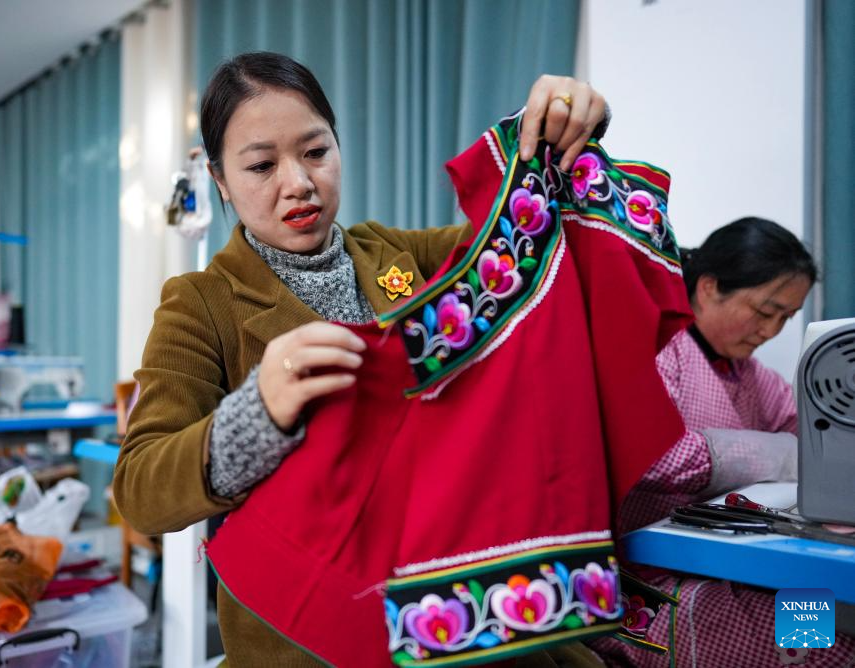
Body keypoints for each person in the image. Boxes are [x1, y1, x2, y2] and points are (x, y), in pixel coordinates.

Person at [114, 51, 611, 666]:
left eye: (315, 152)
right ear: (220, 180)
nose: (298, 183)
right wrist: (258, 413)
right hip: (312, 636)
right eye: (262, 165)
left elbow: (523, 239)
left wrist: (556, 134)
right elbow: (140, 488)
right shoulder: (201, 304)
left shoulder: (395, 255)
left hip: (453, 597)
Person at [590, 217, 855, 667]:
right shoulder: (658, 352)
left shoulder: (754, 378)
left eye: (785, 319)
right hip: (641, 589)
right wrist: (779, 454)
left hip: (723, 571)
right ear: (709, 287)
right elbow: (654, 456)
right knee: (825, 646)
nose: (771, 331)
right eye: (765, 312)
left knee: (834, 620)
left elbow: (809, 437)